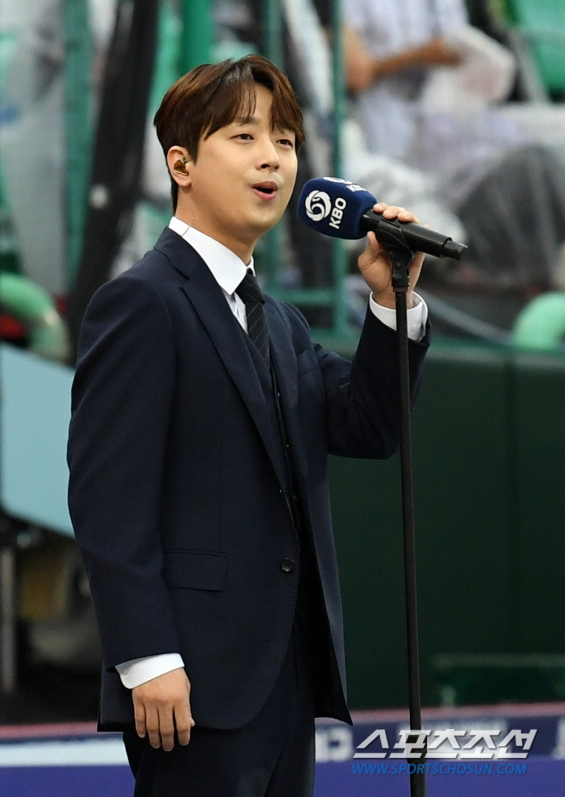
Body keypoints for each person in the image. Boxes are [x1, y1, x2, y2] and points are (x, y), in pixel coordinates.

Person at [67, 55, 430, 797]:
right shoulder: (142, 303)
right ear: (182, 163)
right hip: (194, 680)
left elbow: (367, 425)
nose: (272, 157)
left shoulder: (282, 324)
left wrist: (394, 302)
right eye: (243, 136)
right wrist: (147, 657)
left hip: (286, 676)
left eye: (287, 141)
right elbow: (109, 498)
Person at [343, 0, 565, 291]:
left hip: (454, 127)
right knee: (532, 169)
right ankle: (532, 292)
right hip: (397, 145)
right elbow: (355, 74)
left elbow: (458, 50)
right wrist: (421, 56)